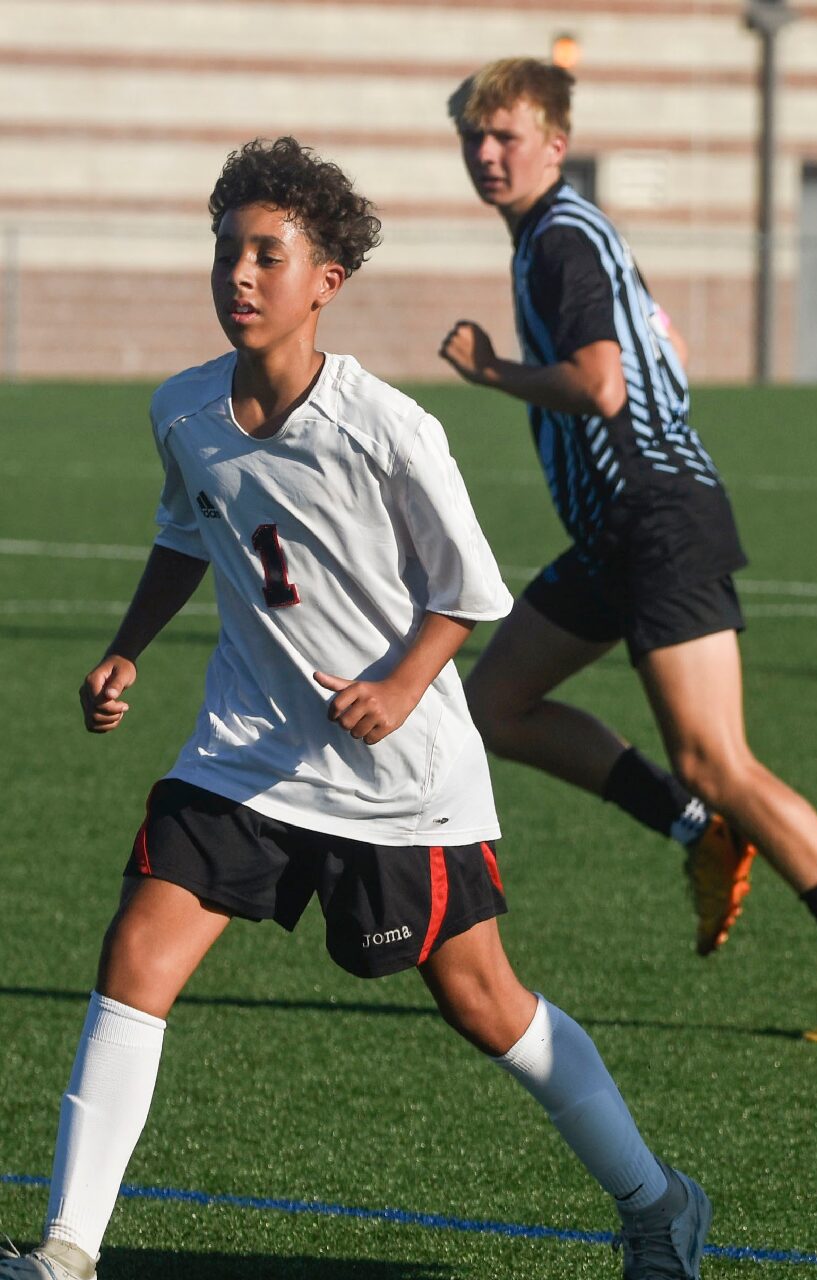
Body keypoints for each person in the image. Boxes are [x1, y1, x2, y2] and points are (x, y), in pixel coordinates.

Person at [0, 139, 709, 1280]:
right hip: (244, 752)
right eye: (225, 250)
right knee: (138, 948)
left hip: (397, 775)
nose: (238, 274)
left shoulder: (387, 426)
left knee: (485, 1003)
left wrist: (399, 681)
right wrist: (125, 649)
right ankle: (67, 1248)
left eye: (266, 255)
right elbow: (187, 531)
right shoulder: (183, 408)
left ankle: (655, 1198)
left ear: (325, 279)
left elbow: (468, 589)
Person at [438, 58, 817, 1045]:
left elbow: (603, 383)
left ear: (555, 141)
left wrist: (492, 369)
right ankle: (695, 829)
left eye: (506, 135)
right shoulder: (560, 234)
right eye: (473, 137)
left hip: (655, 517)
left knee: (718, 755)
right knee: (492, 702)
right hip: (619, 526)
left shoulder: (560, 243)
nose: (487, 154)